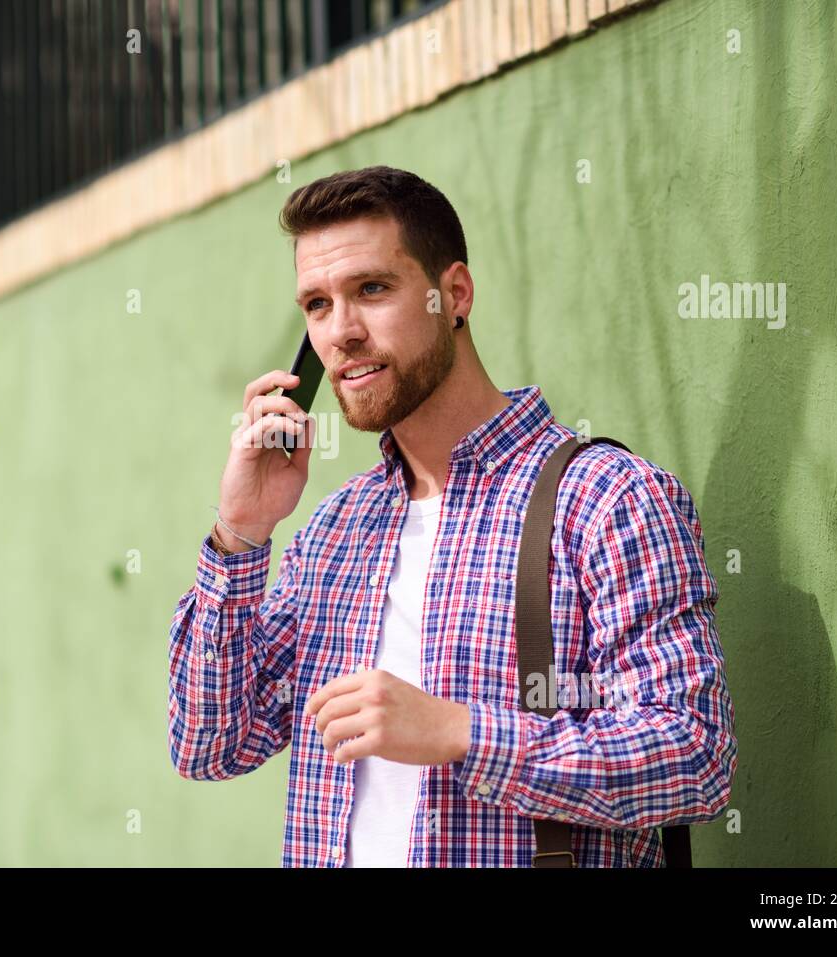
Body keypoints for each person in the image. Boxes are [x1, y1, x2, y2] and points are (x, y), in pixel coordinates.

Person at [167, 165, 737, 867]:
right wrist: (239, 532)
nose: (341, 331)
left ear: (454, 294)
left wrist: (461, 733)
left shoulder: (605, 499)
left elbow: (694, 756)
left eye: (372, 289)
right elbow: (207, 743)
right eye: (316, 304)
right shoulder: (334, 533)